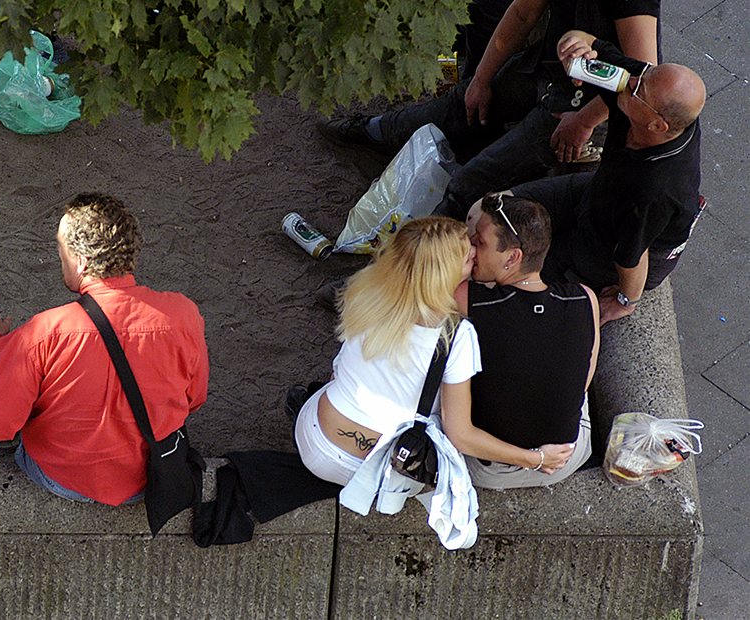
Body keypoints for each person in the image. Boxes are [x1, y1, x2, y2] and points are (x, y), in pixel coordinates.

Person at [0, 193, 208, 505]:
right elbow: (194, 399)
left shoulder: (42, 333)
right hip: (149, 477)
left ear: (80, 260)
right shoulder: (184, 315)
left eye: (60, 247)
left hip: (62, 478)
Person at [296, 216, 574, 488]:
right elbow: (461, 436)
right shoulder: (455, 335)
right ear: (446, 274)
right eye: (468, 257)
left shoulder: (367, 290)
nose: (475, 251)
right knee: (444, 417)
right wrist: (536, 459)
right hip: (371, 468)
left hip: (313, 434)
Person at [317, 0, 659, 218]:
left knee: (472, 181)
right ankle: (379, 131)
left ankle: (406, 264)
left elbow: (644, 79)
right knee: (458, 103)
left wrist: (584, 122)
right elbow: (523, 13)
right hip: (546, 70)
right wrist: (481, 80)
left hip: (589, 107)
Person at [509, 31, 705, 324]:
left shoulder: (656, 187)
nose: (629, 81)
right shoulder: (641, 84)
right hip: (599, 190)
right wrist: (573, 47)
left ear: (657, 125)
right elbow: (588, 41)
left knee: (518, 275)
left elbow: (632, 256)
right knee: (504, 207)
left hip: (621, 243)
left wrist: (627, 301)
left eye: (638, 89)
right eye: (642, 75)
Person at [456, 194, 599, 488]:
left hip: (490, 469)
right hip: (566, 458)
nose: (471, 246)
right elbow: (582, 382)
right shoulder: (585, 298)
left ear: (512, 257)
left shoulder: (467, 299)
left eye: (480, 242)